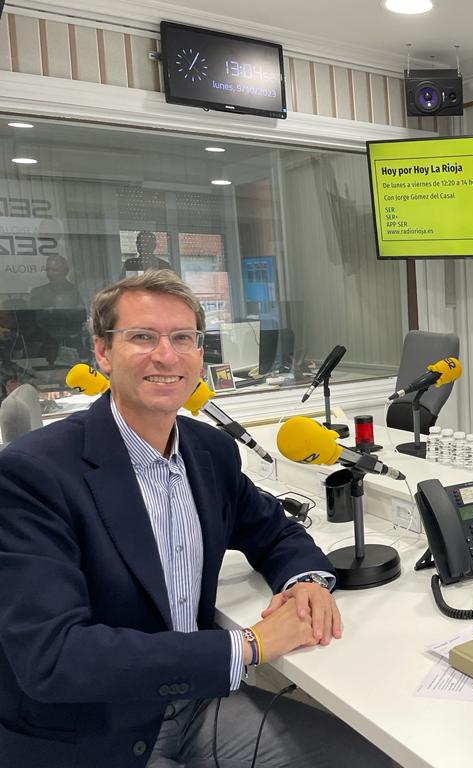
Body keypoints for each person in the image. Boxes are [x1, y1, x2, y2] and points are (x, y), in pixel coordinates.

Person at [0, 270, 391, 768]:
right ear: (102, 353)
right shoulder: (36, 472)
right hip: (96, 734)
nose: (166, 356)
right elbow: (52, 657)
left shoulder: (208, 450)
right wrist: (247, 646)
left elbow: (272, 529)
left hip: (197, 703)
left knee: (373, 758)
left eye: (183, 338)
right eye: (142, 337)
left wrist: (307, 582)